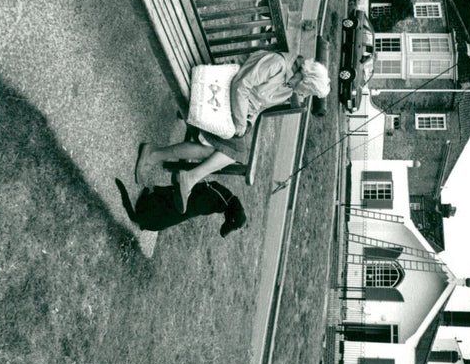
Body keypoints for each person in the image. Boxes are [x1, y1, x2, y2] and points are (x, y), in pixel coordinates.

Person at [134, 50, 331, 209]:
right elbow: (240, 85)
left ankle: (159, 157)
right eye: (309, 92)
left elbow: (259, 105)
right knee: (236, 151)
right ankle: (182, 173)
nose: (305, 97)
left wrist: (248, 122)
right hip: (223, 90)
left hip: (233, 108)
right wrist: (239, 122)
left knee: (218, 151)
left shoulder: (290, 86)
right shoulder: (277, 64)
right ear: (305, 80)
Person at [114, 176, 246, 236]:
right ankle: (145, 206)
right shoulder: (210, 201)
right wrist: (157, 189)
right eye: (227, 220)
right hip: (148, 212)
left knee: (171, 211)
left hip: (148, 214)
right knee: (174, 209)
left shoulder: (222, 198)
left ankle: (145, 207)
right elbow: (178, 195)